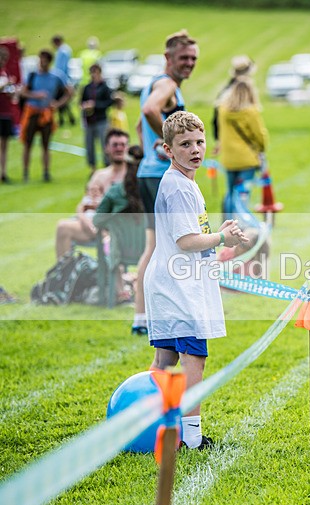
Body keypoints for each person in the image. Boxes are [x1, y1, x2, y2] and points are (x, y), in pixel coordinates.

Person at [145, 111, 248, 449]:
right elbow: (186, 240)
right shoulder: (178, 187)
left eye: (199, 142)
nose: (195, 150)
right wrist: (222, 238)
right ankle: (190, 439)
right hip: (177, 287)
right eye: (185, 144)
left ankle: (153, 425)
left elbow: (193, 236)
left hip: (173, 282)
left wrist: (220, 235)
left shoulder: (184, 182)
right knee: (194, 359)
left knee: (166, 360)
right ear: (168, 150)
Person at [134, 29, 198, 336]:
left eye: (193, 58)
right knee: (176, 246)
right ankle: (165, 313)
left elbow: (139, 124)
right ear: (168, 57)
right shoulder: (167, 84)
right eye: (184, 57)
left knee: (154, 247)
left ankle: (142, 316)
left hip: (148, 172)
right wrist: (167, 145)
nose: (189, 63)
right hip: (161, 176)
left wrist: (150, 150)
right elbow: (148, 111)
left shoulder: (155, 84)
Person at [55, 129, 129, 257]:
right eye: (115, 145)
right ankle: (65, 269)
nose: (119, 148)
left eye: (122, 145)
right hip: (92, 225)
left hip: (118, 228)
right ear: (106, 148)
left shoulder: (132, 177)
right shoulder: (99, 175)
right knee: (62, 227)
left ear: (128, 148)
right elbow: (82, 205)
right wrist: (87, 223)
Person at [93, 144, 144, 303]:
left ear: (126, 165)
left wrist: (113, 221)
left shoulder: (115, 192)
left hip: (121, 250)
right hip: (150, 250)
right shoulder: (155, 191)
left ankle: (120, 292)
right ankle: (135, 286)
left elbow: (97, 220)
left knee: (108, 242)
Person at [217, 76, 268, 219]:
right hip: (246, 159)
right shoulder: (251, 111)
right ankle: (240, 222)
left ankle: (227, 223)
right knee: (243, 193)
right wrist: (261, 149)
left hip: (228, 158)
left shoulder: (223, 111)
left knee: (230, 192)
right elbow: (260, 135)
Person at [18, 49, 71, 182]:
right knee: (27, 143)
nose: (42, 63)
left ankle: (46, 172)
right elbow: (22, 92)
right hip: (32, 112)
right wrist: (36, 95)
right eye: (41, 60)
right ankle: (25, 173)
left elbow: (70, 91)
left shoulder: (56, 76)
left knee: (46, 145)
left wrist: (58, 104)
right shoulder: (32, 75)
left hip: (47, 113)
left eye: (45, 61)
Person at [212, 55, 255, 155]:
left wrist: (218, 139)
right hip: (243, 144)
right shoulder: (242, 92)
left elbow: (216, 118)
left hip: (228, 142)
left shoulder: (226, 90)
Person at [81, 63, 113, 173]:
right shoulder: (87, 88)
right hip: (89, 120)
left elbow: (109, 102)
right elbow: (82, 101)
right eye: (92, 73)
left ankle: (107, 166)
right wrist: (85, 106)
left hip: (101, 120)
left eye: (95, 72)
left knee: (104, 143)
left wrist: (95, 105)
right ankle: (92, 167)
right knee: (89, 145)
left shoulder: (105, 87)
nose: (93, 75)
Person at [0, 45, 17, 184]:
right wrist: (6, 84)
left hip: (6, 111)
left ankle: (3, 172)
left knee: (5, 144)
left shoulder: (5, 72)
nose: (3, 61)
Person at [51, 34, 75, 127]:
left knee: (61, 98)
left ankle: (64, 119)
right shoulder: (65, 49)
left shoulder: (62, 51)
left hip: (62, 80)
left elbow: (61, 68)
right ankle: (68, 118)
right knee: (64, 100)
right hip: (64, 79)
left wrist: (59, 79)